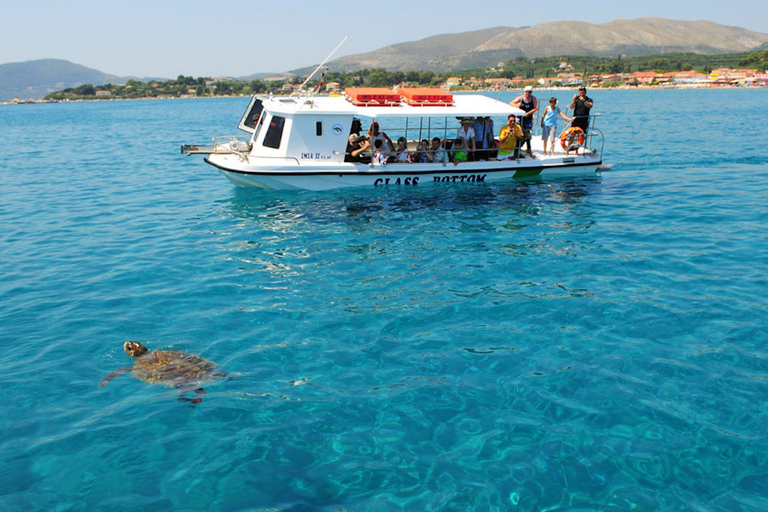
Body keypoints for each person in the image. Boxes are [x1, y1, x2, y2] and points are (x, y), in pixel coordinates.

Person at [510, 85, 539, 157]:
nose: (528, 93)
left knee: (528, 135)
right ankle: (516, 149)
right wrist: (518, 105)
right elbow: (511, 103)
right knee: (519, 134)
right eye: (526, 92)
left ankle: (529, 149)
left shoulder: (533, 99)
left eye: (529, 92)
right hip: (520, 119)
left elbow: (536, 107)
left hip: (528, 119)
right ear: (524, 92)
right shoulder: (520, 98)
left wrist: (528, 113)